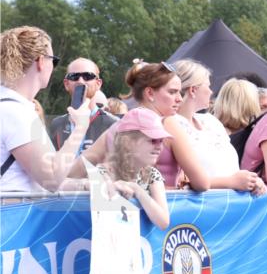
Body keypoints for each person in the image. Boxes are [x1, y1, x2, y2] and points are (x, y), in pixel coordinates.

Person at [72, 60, 211, 191]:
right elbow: (202, 183)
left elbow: (73, 172)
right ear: (150, 93)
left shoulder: (117, 127)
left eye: (179, 92)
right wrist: (231, 181)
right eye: (172, 92)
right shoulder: (168, 124)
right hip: (164, 211)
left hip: (124, 210)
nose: (179, 99)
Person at [0, 26, 91, 192]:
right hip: (15, 216)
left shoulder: (9, 106)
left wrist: (88, 185)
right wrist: (80, 127)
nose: (53, 67)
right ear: (41, 61)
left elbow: (36, 180)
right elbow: (51, 179)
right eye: (54, 61)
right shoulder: (15, 112)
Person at [170, 60, 266, 195]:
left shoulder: (211, 121)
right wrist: (231, 182)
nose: (211, 91)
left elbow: (230, 169)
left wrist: (252, 180)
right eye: (208, 86)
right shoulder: (172, 124)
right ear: (193, 90)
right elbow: (181, 180)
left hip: (228, 204)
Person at [65, 108, 171, 229]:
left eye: (161, 141)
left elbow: (163, 222)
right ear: (128, 142)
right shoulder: (104, 172)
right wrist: (93, 184)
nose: (159, 147)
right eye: (153, 140)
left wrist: (137, 190)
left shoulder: (152, 174)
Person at [48, 57, 119, 154]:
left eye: (88, 76)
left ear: (98, 84)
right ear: (66, 84)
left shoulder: (113, 124)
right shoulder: (57, 124)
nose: (80, 81)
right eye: (74, 76)